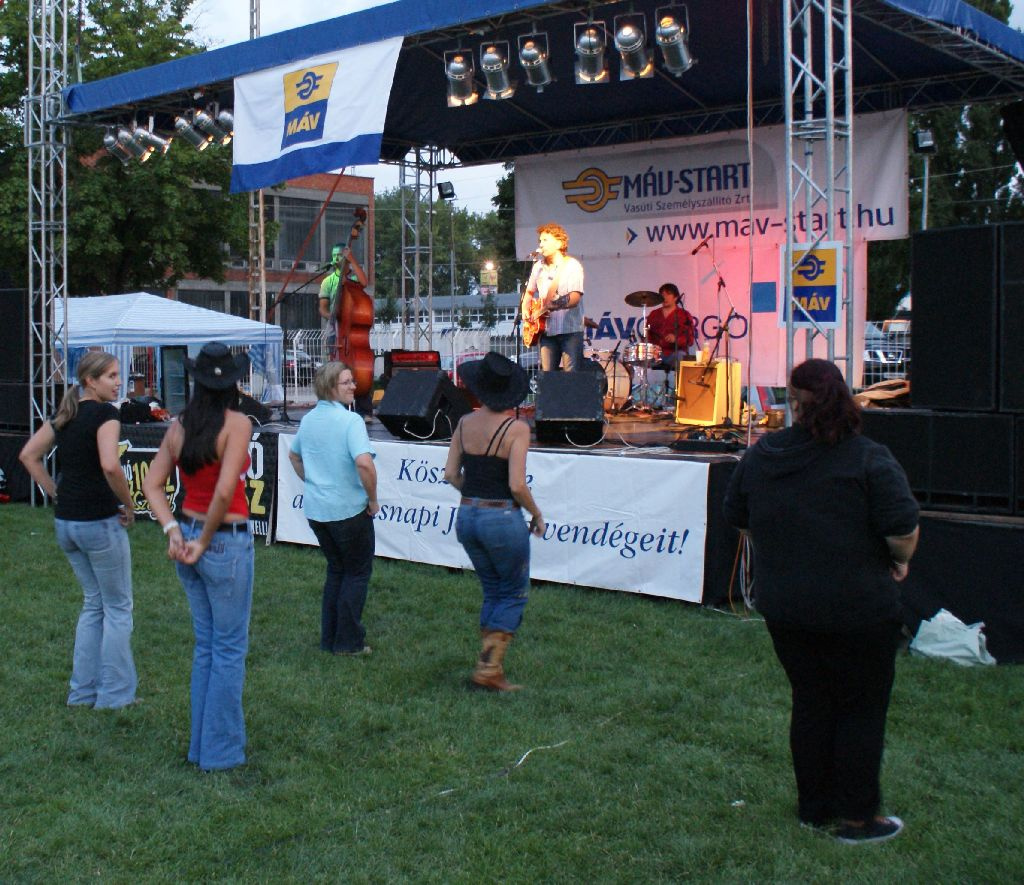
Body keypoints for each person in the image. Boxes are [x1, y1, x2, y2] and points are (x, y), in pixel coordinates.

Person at [723, 358, 919, 845]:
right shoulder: (867, 457)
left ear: (793, 402)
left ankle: (814, 808)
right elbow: (902, 532)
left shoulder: (765, 454)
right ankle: (856, 819)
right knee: (859, 708)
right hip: (858, 608)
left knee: (811, 702)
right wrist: (899, 561)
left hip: (789, 607)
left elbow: (739, 515)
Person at [142, 343, 254, 772]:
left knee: (208, 646)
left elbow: (153, 486)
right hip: (220, 540)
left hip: (189, 532)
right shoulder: (237, 423)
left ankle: (202, 748)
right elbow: (225, 492)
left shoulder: (179, 426)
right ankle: (221, 753)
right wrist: (203, 541)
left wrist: (175, 531)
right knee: (226, 649)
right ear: (232, 383)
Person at [19, 351, 138, 709]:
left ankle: (82, 692)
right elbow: (110, 465)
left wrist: (56, 492)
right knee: (117, 608)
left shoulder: (66, 415)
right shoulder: (106, 414)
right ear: (90, 380)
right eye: (112, 376)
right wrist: (129, 504)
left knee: (93, 605)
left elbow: (28, 455)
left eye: (119, 375)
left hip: (66, 523)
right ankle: (114, 696)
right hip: (97, 522)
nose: (119, 382)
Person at [444, 352, 545, 691]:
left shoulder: (463, 424)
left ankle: (487, 664)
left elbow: (450, 474)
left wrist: (472, 495)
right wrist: (537, 513)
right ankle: (489, 670)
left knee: (492, 588)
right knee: (513, 592)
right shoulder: (516, 429)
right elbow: (516, 484)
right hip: (501, 517)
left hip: (467, 514)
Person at [288, 361, 379, 656]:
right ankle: (348, 642)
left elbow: (294, 456)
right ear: (330, 388)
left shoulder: (309, 419)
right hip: (348, 509)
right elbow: (364, 463)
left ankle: (330, 638)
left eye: (353, 381)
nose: (354, 386)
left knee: (337, 571)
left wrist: (313, 480)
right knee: (356, 574)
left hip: (317, 510)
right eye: (347, 382)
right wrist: (373, 498)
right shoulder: (351, 422)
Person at [318, 235, 373, 419]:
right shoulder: (328, 281)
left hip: (352, 332)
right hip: (336, 329)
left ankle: (364, 409)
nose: (337, 259)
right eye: (335, 256)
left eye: (340, 256)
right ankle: (338, 407)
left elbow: (365, 283)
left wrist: (352, 259)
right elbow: (323, 308)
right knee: (336, 369)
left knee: (361, 367)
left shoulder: (353, 280)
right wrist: (333, 316)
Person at [523, 222, 585, 372]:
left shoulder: (572, 266)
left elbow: (575, 298)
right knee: (548, 380)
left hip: (569, 332)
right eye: (540, 241)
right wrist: (525, 308)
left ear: (559, 243)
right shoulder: (538, 267)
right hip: (546, 332)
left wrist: (551, 306)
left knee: (571, 379)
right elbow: (529, 292)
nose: (541, 244)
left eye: (545, 240)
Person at [645, 283, 697, 366]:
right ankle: (642, 378)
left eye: (668, 294)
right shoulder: (653, 314)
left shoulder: (684, 315)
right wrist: (650, 346)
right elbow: (647, 336)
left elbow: (690, 340)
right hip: (656, 354)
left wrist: (676, 339)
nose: (665, 297)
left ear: (676, 297)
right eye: (662, 295)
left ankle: (679, 379)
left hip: (675, 353)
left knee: (680, 357)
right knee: (642, 357)